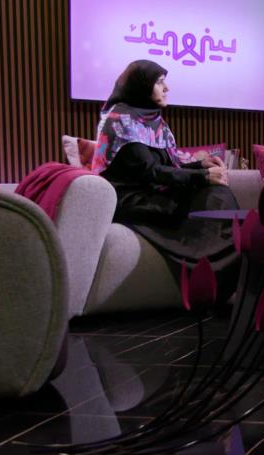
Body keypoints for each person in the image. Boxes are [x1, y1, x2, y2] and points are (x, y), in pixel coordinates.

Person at [91, 59, 240, 304]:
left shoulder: (151, 119)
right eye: (159, 82)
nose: (166, 88)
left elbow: (170, 166)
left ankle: (218, 275)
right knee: (209, 195)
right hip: (132, 199)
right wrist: (203, 177)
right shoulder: (121, 119)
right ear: (141, 86)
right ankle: (207, 274)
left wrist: (202, 166)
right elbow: (150, 172)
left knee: (216, 195)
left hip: (155, 190)